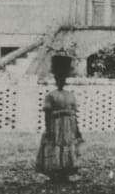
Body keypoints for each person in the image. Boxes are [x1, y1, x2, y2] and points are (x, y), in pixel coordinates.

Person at [35, 55, 83, 183]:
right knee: (54, 144)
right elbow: (47, 114)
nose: (60, 81)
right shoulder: (51, 95)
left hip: (68, 124)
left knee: (68, 145)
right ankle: (54, 171)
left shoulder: (70, 95)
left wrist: (77, 129)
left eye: (62, 79)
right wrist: (49, 128)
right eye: (58, 79)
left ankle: (66, 171)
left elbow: (74, 113)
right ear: (56, 80)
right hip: (55, 124)